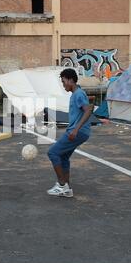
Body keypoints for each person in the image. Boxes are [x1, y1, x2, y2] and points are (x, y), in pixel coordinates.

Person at [47, 68, 94, 197]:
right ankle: (66, 188)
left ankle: (62, 185)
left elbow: (88, 110)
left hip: (78, 132)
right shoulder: (76, 94)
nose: (63, 85)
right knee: (63, 157)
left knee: (52, 152)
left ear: (70, 80)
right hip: (80, 132)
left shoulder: (78, 93)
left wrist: (75, 129)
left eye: (63, 82)